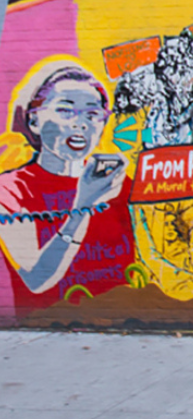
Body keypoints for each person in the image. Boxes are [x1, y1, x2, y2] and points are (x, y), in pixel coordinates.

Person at [0, 60, 133, 314]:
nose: (81, 124)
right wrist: (83, 206)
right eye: (65, 110)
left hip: (120, 323)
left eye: (93, 114)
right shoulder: (11, 191)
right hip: (49, 324)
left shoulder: (116, 184)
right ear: (34, 121)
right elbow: (37, 280)